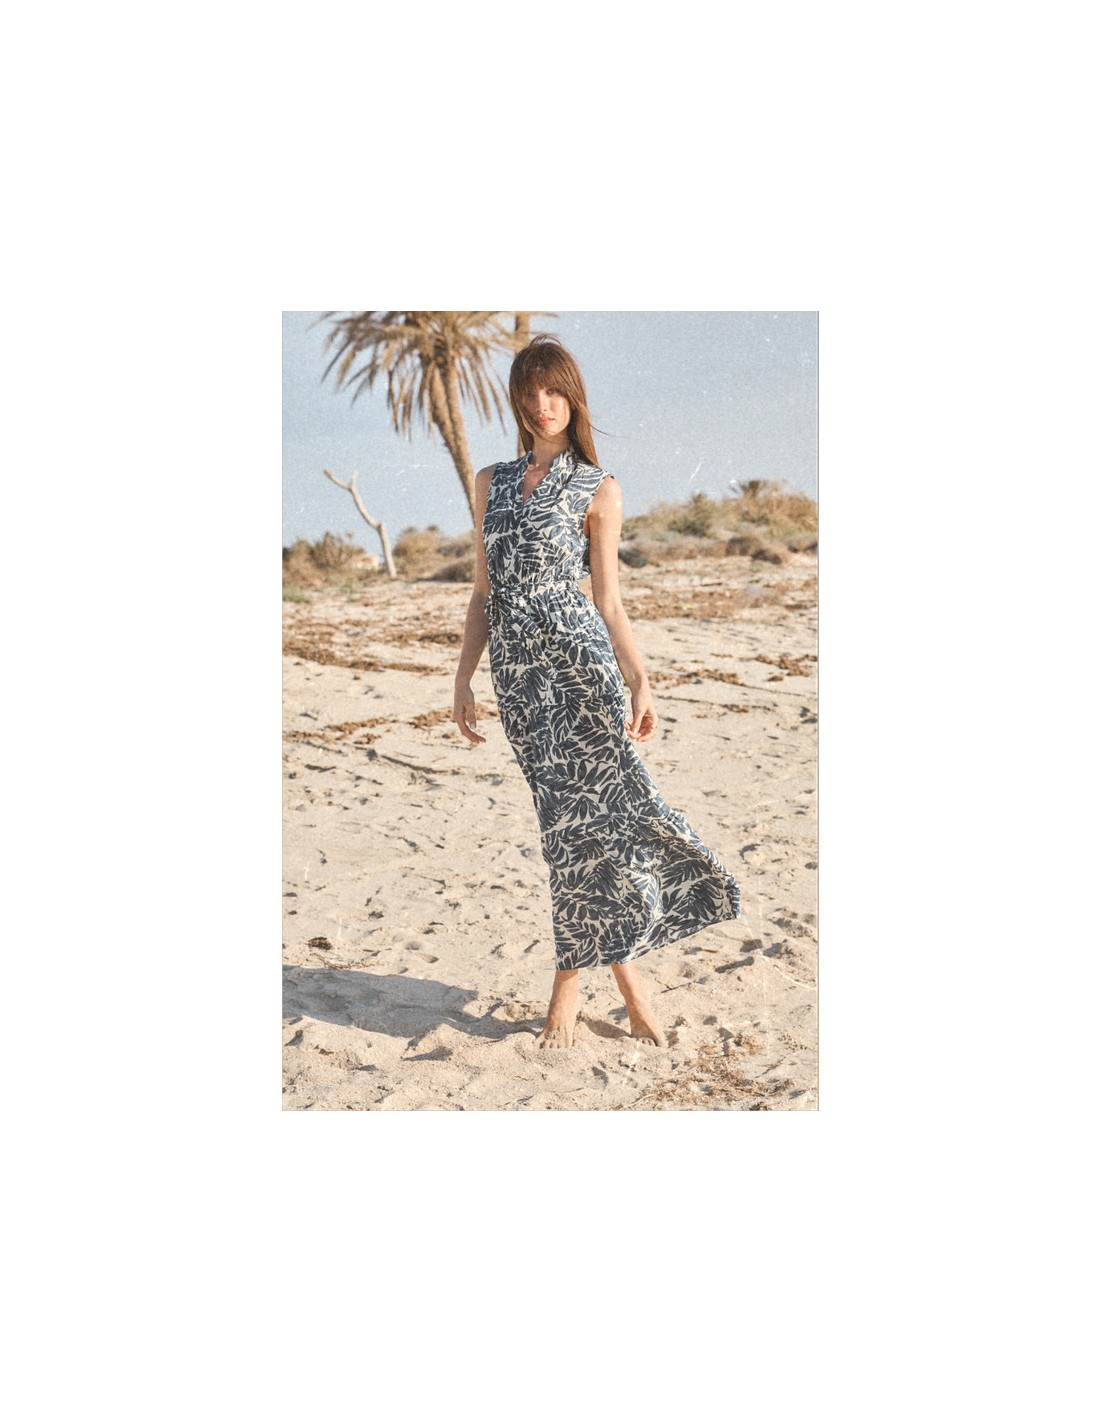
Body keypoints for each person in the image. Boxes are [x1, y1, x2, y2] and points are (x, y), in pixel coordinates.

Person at [452, 334, 741, 1050]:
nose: (541, 403)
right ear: (517, 400)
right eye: (530, 391)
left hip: (581, 669)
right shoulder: (490, 482)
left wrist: (640, 680)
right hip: (521, 679)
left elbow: (608, 601)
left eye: (553, 390)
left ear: (572, 397)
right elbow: (483, 591)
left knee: (594, 822)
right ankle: (630, 988)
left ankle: (571, 988)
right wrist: (462, 677)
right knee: (569, 824)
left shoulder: (597, 488)